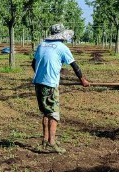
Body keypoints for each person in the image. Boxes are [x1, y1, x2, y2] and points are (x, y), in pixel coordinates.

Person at [31, 24, 90, 154]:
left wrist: (42, 75)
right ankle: (52, 143)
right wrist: (82, 80)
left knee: (46, 112)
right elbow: (74, 65)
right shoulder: (62, 48)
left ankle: (45, 141)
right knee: (54, 114)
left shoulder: (41, 45)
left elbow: (33, 64)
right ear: (62, 35)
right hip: (50, 85)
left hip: (38, 83)